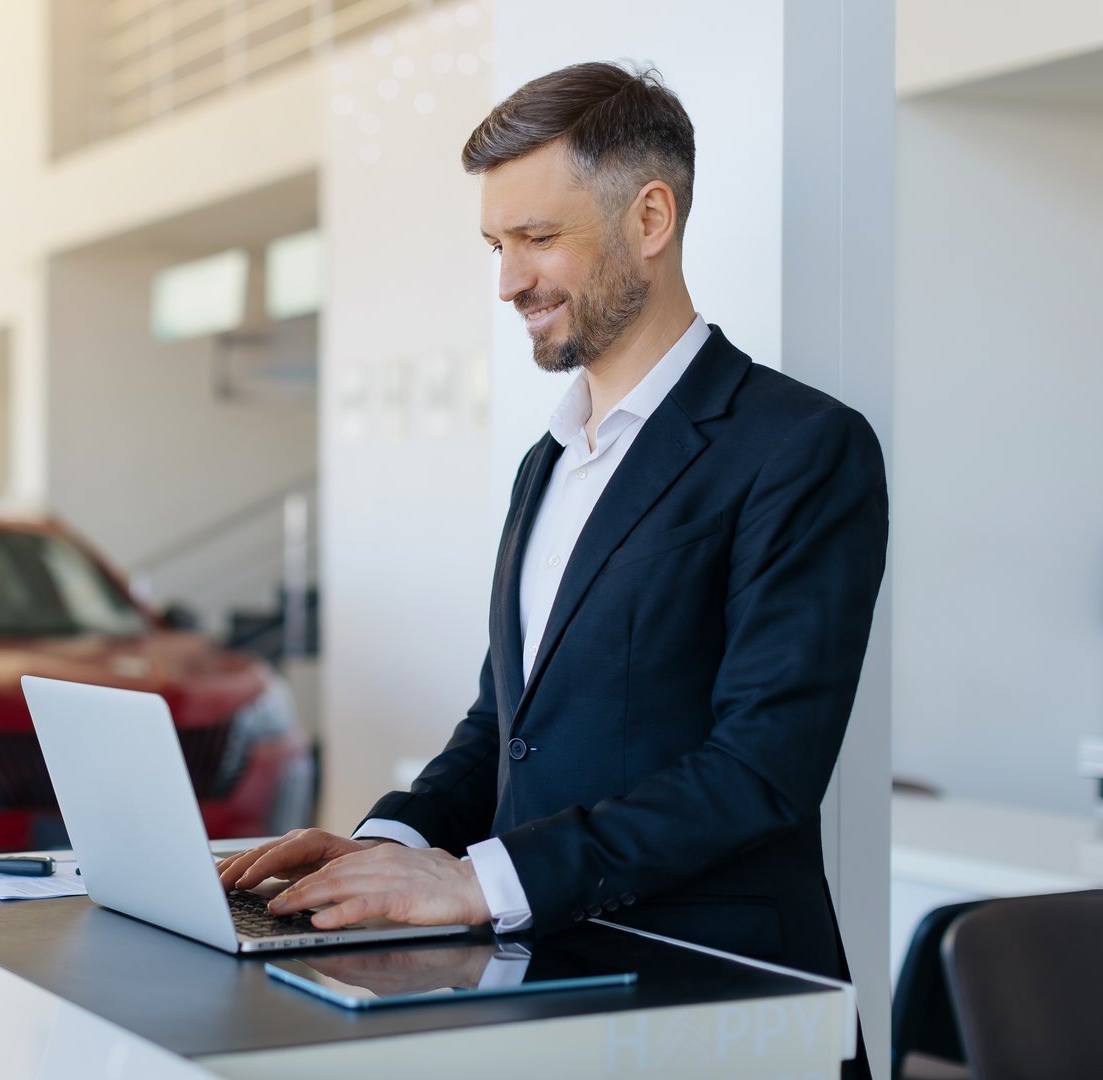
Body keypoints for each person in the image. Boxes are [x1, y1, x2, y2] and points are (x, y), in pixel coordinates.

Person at [217, 61, 885, 1078]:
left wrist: (482, 881)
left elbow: (763, 768)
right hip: (548, 993)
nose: (508, 281)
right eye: (497, 244)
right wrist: (391, 841)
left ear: (650, 218)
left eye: (538, 238)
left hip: (719, 997)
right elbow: (505, 722)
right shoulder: (548, 465)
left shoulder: (801, 447)